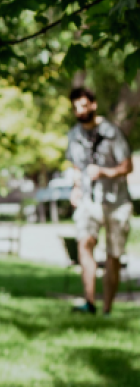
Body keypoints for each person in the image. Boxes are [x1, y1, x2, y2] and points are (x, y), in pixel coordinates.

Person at [66, 87, 133, 315]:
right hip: (88, 201)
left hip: (116, 202)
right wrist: (75, 188)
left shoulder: (111, 132)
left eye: (83, 106)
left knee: (113, 256)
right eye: (75, 108)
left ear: (93, 105)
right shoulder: (74, 136)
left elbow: (127, 166)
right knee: (85, 244)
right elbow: (76, 167)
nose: (80, 111)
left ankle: (107, 308)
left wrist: (104, 172)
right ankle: (90, 302)